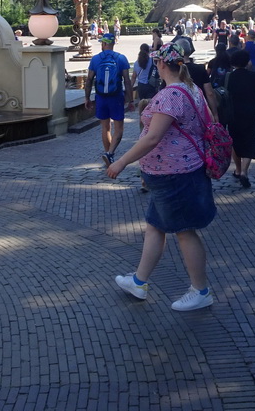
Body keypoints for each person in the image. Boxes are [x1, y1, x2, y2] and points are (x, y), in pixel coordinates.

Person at [107, 43, 216, 311]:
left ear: (162, 65)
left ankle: (201, 291)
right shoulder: (192, 89)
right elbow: (210, 121)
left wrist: (121, 161)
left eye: (157, 62)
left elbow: (153, 137)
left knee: (184, 231)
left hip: (175, 174)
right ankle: (139, 281)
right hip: (177, 172)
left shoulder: (170, 95)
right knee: (156, 225)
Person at [85, 33, 133, 166]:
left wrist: (87, 98)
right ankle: (110, 154)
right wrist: (130, 100)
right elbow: (127, 81)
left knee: (105, 128)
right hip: (116, 97)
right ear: (112, 44)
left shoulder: (95, 59)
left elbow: (89, 80)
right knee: (119, 129)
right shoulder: (121, 58)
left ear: (104, 44)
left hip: (101, 97)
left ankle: (108, 155)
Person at [225, 49, 255, 189]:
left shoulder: (229, 77)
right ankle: (244, 171)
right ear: (247, 62)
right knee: (249, 139)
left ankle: (237, 168)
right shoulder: (254, 76)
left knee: (235, 140)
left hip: (233, 113)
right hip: (250, 112)